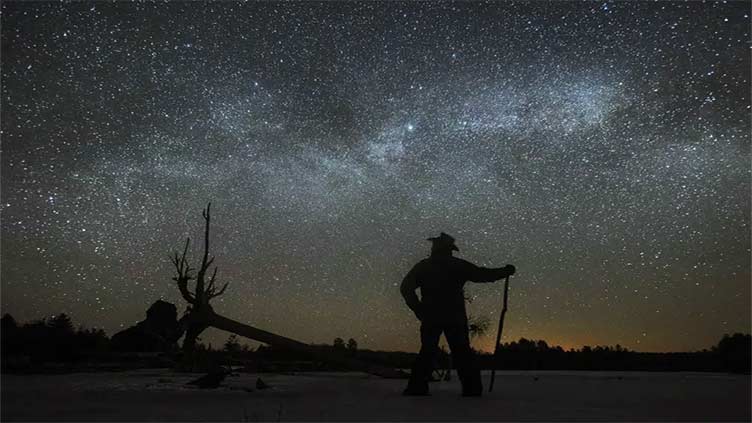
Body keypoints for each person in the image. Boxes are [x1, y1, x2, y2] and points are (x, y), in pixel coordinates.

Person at [400, 232, 515, 396]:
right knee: (462, 352)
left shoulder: (424, 266)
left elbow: (406, 288)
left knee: (428, 351)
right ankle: (472, 388)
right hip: (454, 317)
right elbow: (482, 274)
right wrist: (504, 272)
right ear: (449, 249)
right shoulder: (457, 265)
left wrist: (418, 308)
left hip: (431, 316)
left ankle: (417, 387)